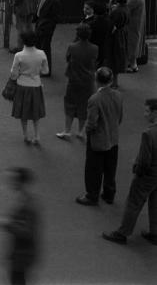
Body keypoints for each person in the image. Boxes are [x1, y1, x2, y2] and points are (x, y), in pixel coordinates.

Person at [102, 98, 157, 245]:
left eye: (147, 111)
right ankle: (155, 232)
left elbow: (144, 160)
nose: (145, 114)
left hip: (148, 175)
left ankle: (122, 233)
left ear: (154, 113)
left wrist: (137, 171)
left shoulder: (149, 134)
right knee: (155, 202)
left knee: (134, 203)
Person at [76, 67, 123, 206]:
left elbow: (92, 122)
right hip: (113, 138)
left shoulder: (94, 99)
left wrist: (88, 132)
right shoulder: (118, 95)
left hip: (98, 139)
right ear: (111, 80)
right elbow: (119, 117)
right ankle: (109, 194)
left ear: (96, 80)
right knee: (110, 168)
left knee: (93, 169)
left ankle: (92, 195)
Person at [0, 167, 40, 285]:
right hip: (20, 252)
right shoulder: (24, 198)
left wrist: (7, 223)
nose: (10, 182)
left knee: (17, 280)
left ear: (21, 182)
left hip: (23, 254)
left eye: (13, 179)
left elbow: (27, 232)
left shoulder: (28, 204)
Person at [57, 24, 98, 141]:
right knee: (84, 106)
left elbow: (67, 59)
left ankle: (67, 130)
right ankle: (81, 131)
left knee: (70, 104)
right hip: (88, 80)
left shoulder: (72, 47)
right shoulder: (95, 48)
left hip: (74, 79)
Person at [9, 31, 48, 145]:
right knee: (35, 111)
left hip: (22, 86)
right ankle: (37, 135)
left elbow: (13, 74)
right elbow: (46, 71)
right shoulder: (41, 54)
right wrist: (36, 72)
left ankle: (26, 135)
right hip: (36, 85)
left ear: (23, 41)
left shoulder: (19, 56)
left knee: (23, 112)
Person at [33, 0, 61, 77]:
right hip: (39, 25)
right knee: (39, 48)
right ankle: (41, 68)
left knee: (45, 49)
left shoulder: (54, 0)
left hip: (47, 28)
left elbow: (55, 18)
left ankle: (46, 71)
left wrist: (48, 27)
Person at [104, 0, 129, 88]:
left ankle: (113, 83)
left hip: (115, 36)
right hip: (122, 33)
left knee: (112, 58)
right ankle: (115, 82)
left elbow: (111, 24)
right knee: (117, 58)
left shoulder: (117, 11)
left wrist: (110, 4)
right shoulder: (126, 8)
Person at [124, 0, 146, 73]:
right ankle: (134, 65)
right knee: (135, 44)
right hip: (137, 24)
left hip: (132, 25)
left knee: (131, 44)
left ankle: (132, 65)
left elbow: (125, 8)